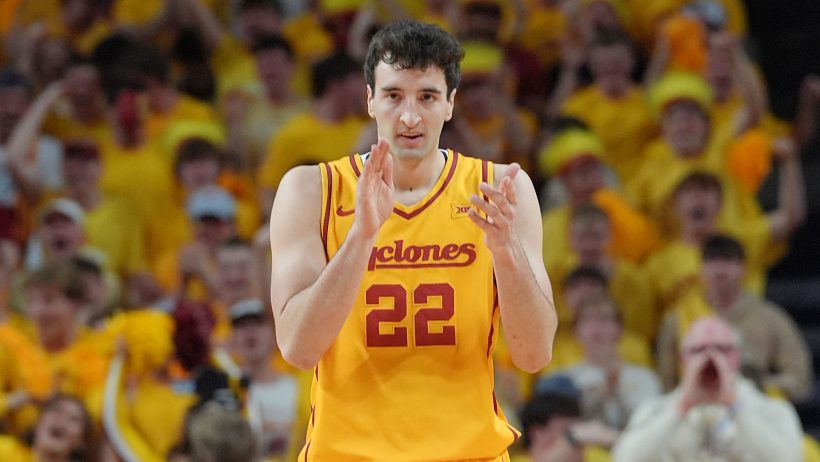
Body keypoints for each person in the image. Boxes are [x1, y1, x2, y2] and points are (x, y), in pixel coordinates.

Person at [269, 20, 557, 460]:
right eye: (393, 95)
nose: (408, 116)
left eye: (426, 97)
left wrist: (506, 252)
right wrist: (362, 237)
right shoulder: (311, 190)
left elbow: (534, 354)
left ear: (450, 105)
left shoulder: (500, 189)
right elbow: (298, 348)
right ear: (369, 100)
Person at [613, 316, 804, 462]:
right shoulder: (657, 410)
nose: (710, 359)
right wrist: (682, 407)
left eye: (721, 349)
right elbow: (625, 458)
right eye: (699, 350)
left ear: (737, 356)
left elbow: (789, 459)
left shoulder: (772, 409)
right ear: (683, 359)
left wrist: (734, 405)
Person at [655, 235, 813, 399]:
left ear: (743, 268)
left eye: (728, 260)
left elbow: (799, 377)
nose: (720, 269)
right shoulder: (678, 318)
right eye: (712, 260)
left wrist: (759, 389)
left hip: (753, 406)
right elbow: (665, 381)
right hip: (694, 405)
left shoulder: (769, 317)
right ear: (701, 268)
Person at [517, 374, 618, 462]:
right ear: (537, 433)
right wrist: (572, 438)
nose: (581, 437)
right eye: (566, 430)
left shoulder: (592, 455)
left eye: (578, 428)